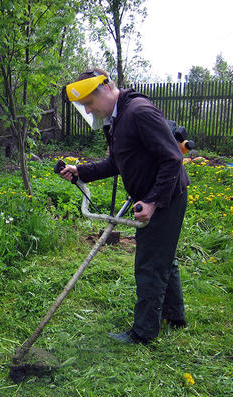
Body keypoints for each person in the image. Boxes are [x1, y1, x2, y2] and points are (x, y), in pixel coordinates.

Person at [59, 68, 190, 344]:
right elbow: (117, 163)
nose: (89, 110)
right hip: (153, 194)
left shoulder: (138, 112)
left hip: (165, 196)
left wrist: (153, 201)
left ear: (106, 88)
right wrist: (80, 171)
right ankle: (174, 315)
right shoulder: (118, 119)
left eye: (90, 103)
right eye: (84, 106)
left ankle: (143, 333)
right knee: (163, 256)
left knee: (150, 262)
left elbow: (172, 159)